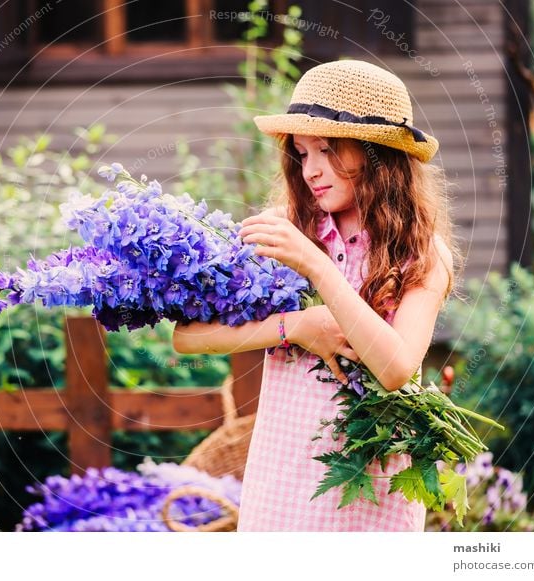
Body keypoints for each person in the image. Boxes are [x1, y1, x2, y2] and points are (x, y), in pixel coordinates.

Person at [172, 59, 457, 531]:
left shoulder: (422, 252)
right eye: (302, 154)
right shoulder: (286, 227)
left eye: (327, 149)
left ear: (378, 154)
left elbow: (395, 368)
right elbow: (188, 337)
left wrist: (317, 266)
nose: (311, 171)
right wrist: (297, 326)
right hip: (281, 475)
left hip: (369, 482)